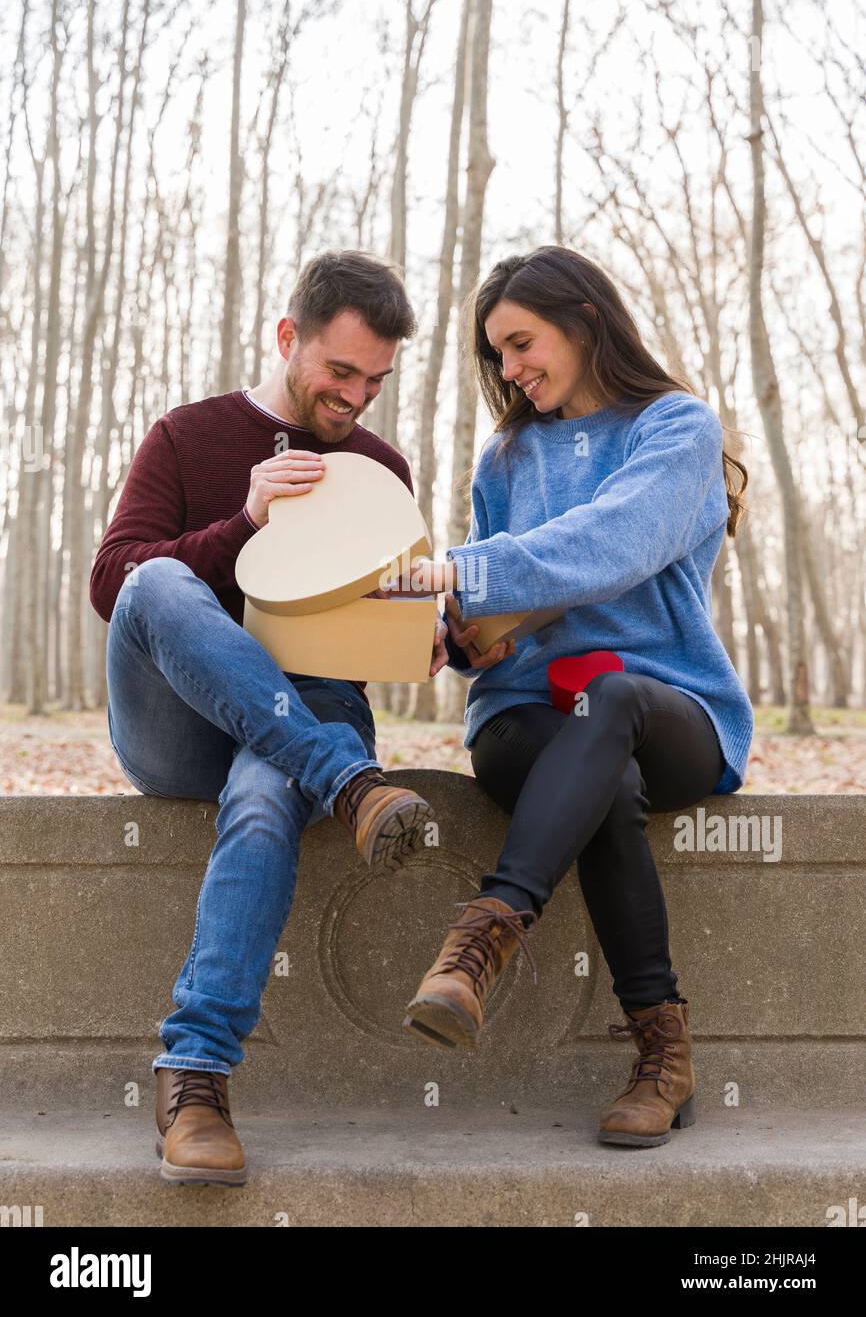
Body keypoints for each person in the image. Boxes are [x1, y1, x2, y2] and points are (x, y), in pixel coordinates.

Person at [89, 250, 448, 1186]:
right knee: (159, 577)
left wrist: (429, 627)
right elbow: (113, 584)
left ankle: (194, 1078)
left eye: (376, 380)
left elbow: (382, 637)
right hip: (177, 727)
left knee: (261, 800)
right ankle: (348, 784)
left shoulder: (380, 469)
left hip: (310, 719)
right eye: (341, 372)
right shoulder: (187, 436)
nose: (358, 397)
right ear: (289, 339)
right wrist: (246, 521)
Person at [405, 245, 754, 1149]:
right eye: (499, 356)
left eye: (522, 343)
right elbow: (489, 613)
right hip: (527, 717)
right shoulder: (509, 454)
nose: (512, 370)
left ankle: (484, 935)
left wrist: (460, 571)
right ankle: (663, 1057)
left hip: (668, 709)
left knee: (617, 704)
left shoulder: (675, 429)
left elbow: (612, 543)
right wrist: (454, 628)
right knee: (600, 778)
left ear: (586, 318)